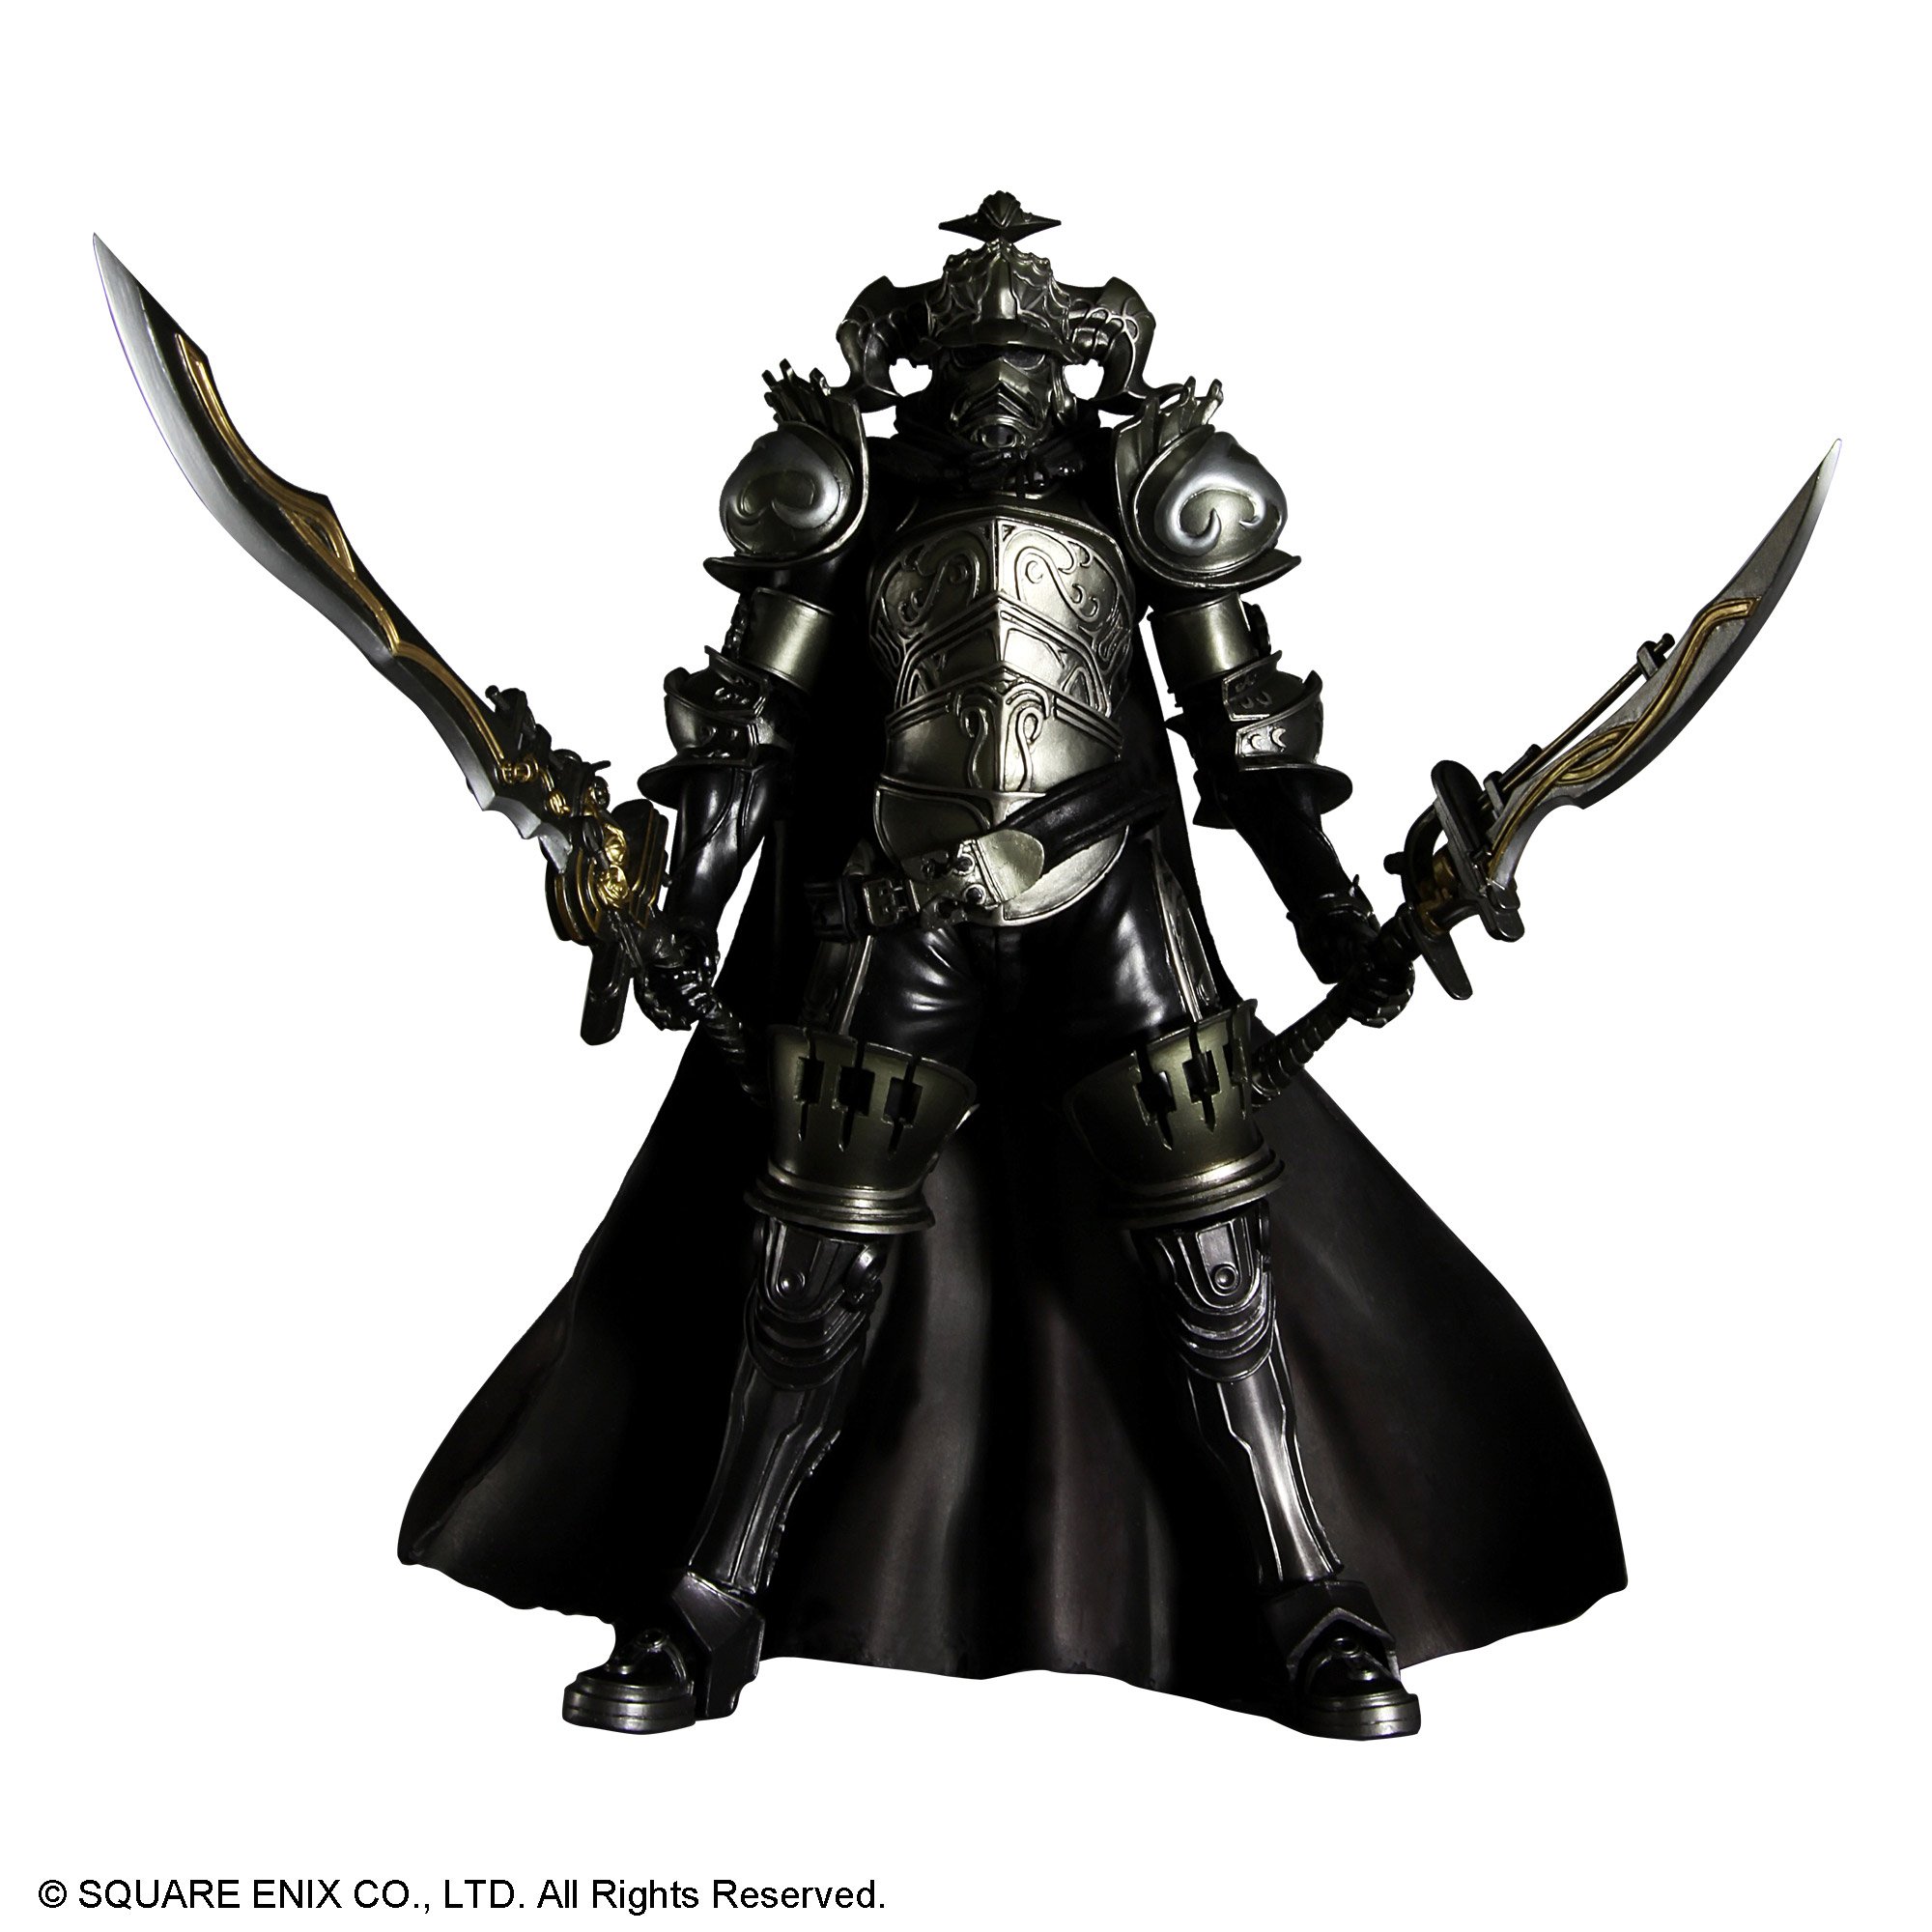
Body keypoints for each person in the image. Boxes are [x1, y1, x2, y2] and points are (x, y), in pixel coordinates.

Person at [399, 194, 1625, 1740]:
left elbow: (1246, 737)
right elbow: (753, 726)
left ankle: (1306, 1595)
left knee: (1214, 1255)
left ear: (1077, 363)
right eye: (972, 356)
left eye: (1028, 356)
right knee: (809, 1257)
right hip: (892, 912)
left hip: (1115, 912)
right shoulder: (845, 492)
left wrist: (1329, 917)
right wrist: (684, 906)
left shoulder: (1155, 493)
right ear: (917, 361)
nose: (999, 383)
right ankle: (714, 1599)